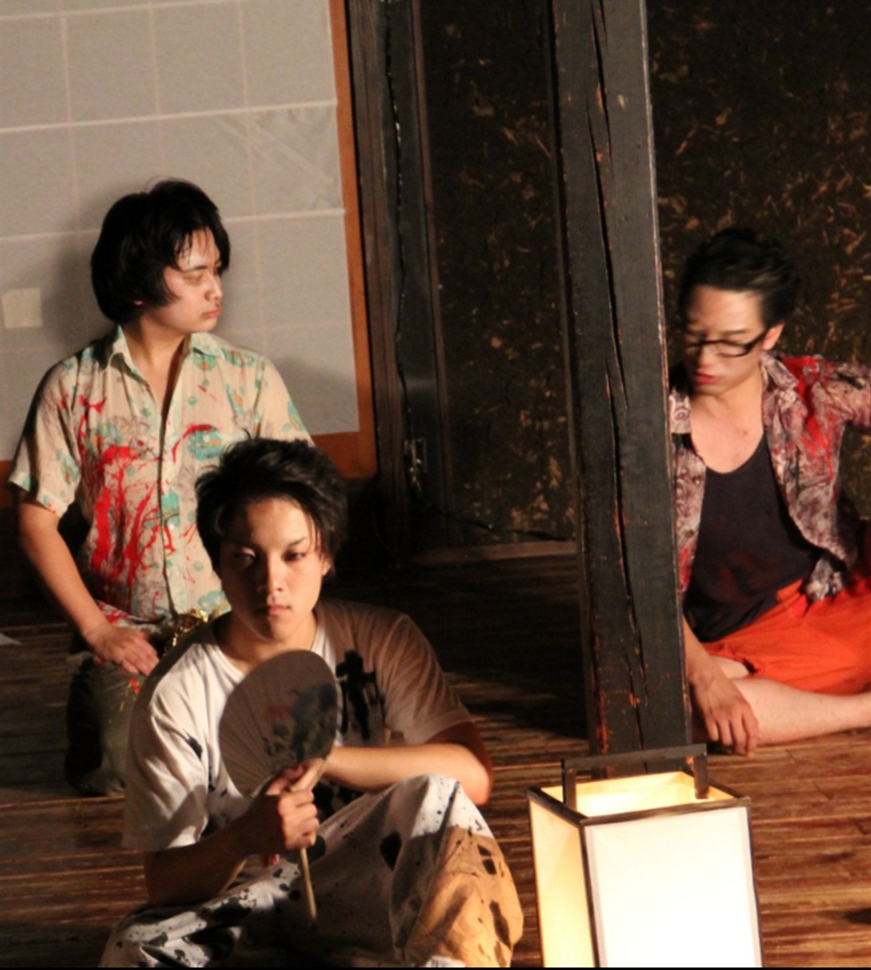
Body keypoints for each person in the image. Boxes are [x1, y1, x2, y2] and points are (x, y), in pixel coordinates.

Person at [100, 438, 522, 968]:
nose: (270, 582)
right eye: (245, 558)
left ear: (325, 556)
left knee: (437, 796)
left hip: (375, 888)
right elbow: (165, 884)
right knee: (133, 949)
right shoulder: (177, 694)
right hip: (251, 915)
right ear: (218, 564)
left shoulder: (381, 640)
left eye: (294, 555)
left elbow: (472, 776)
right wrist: (244, 837)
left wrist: (327, 758)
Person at [7, 180, 308, 795]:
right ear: (139, 285)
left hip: (237, 623)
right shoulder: (72, 388)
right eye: (195, 275)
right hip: (128, 631)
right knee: (113, 769)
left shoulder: (248, 379)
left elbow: (305, 503)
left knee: (276, 758)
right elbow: (34, 522)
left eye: (217, 271)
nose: (215, 289)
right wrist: (97, 631)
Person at [671, 227, 871, 756]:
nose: (706, 358)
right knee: (668, 711)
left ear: (770, 334)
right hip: (744, 632)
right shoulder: (649, 427)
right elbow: (632, 589)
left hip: (838, 591)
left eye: (731, 342)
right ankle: (861, 708)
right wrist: (704, 678)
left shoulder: (810, 389)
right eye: (694, 334)